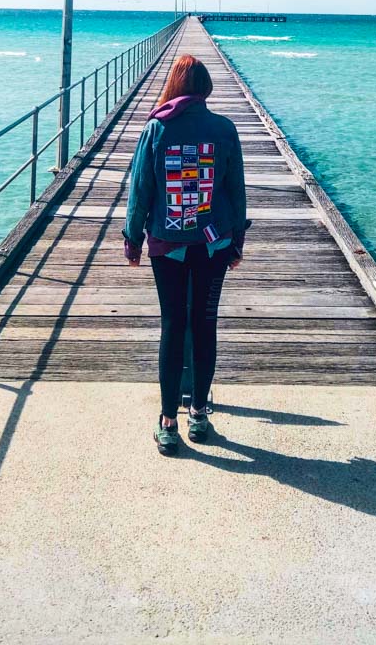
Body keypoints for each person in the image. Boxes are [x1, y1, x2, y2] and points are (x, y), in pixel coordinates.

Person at [123, 53, 249, 454]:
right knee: (205, 324)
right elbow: (236, 190)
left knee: (173, 325)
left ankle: (168, 422)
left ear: (175, 86)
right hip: (214, 243)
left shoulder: (156, 128)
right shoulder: (224, 129)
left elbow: (140, 188)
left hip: (169, 245)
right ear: (206, 88)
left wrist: (132, 239)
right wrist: (236, 242)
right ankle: (198, 412)